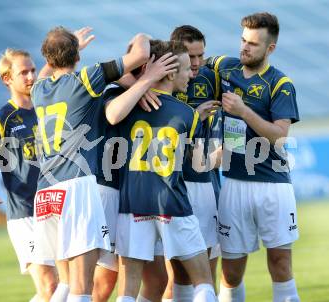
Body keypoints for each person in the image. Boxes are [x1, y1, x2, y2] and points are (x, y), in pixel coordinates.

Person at [30, 26, 151, 302]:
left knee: (65, 283)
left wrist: (66, 49)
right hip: (76, 187)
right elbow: (141, 53)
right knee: (81, 284)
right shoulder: (84, 79)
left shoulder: (39, 90)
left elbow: (44, 73)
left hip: (46, 192)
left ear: (47, 57)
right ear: (76, 55)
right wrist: (141, 35)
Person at [206, 12, 300, 302]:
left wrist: (244, 111)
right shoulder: (225, 67)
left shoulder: (280, 84)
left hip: (273, 185)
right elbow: (192, 60)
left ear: (269, 48)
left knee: (280, 265)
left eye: (253, 44)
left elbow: (280, 136)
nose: (244, 48)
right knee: (231, 273)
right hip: (234, 183)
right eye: (243, 40)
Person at [113, 40, 217, 302]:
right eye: (184, 70)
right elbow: (194, 164)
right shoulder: (188, 114)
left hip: (132, 202)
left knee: (128, 291)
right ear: (169, 72)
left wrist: (139, 84)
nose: (190, 75)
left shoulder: (126, 104)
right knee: (204, 283)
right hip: (172, 201)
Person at [0, 48, 58, 302]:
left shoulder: (44, 107)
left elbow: (47, 74)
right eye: (23, 72)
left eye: (32, 70)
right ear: (7, 79)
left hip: (54, 209)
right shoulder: (0, 120)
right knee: (49, 286)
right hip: (25, 215)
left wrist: (68, 51)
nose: (31, 76)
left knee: (63, 288)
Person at [93, 44, 180, 302]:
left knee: (157, 280)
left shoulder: (161, 99)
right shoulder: (115, 90)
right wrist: (140, 84)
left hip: (141, 197)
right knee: (104, 281)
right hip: (111, 191)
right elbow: (113, 114)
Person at [168, 25, 222, 299]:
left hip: (205, 182)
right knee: (173, 275)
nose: (198, 63)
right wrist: (193, 116)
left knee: (209, 272)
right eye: (192, 57)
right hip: (171, 184)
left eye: (202, 55)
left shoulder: (213, 77)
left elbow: (232, 117)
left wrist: (227, 151)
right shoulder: (161, 83)